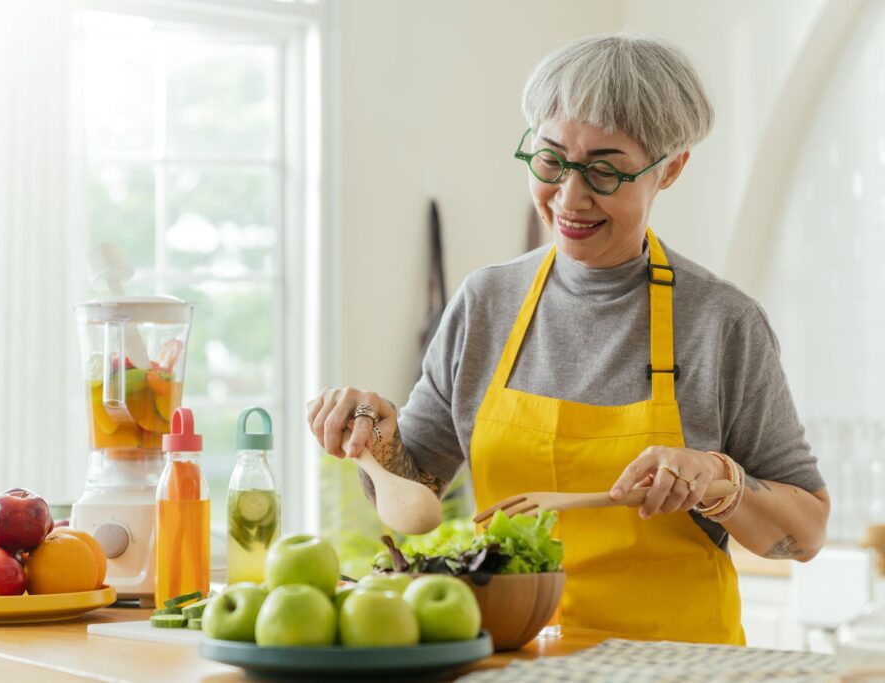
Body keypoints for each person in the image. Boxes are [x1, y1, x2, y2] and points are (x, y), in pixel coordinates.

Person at [306, 33, 829, 645]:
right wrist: (373, 430)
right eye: (552, 162)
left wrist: (718, 477)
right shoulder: (486, 304)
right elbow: (415, 493)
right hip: (516, 659)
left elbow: (806, 532)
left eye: (605, 171)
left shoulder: (721, 324)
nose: (569, 199)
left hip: (681, 667)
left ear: (672, 168)